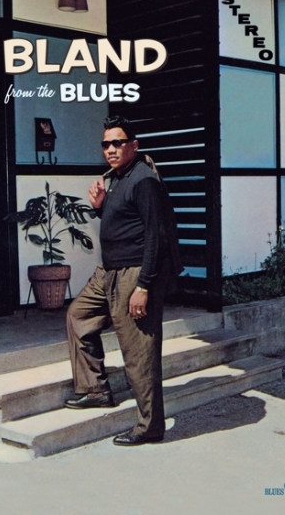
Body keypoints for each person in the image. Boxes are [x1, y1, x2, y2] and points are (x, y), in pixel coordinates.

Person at [64, 115, 182, 446]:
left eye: (118, 143)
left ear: (134, 145)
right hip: (108, 272)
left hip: (133, 274)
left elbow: (156, 236)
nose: (111, 149)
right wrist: (100, 207)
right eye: (106, 144)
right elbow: (126, 221)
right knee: (78, 316)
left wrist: (144, 286)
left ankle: (150, 427)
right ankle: (95, 390)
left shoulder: (144, 180)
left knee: (139, 351)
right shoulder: (116, 178)